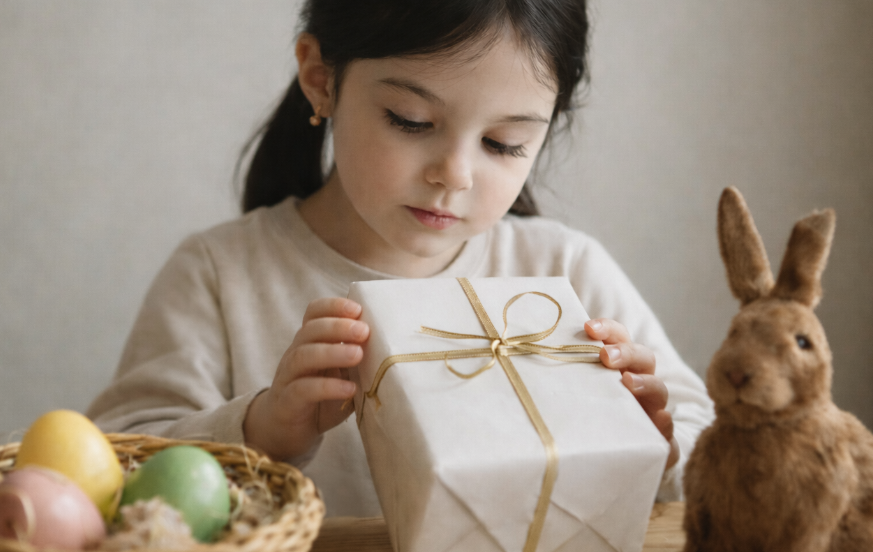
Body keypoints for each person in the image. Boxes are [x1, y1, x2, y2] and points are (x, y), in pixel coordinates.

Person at [87, 0, 714, 517]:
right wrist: (260, 430)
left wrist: (657, 448)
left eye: (504, 143)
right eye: (411, 120)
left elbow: (706, 433)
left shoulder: (564, 273)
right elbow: (112, 466)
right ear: (321, 79)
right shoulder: (219, 274)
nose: (455, 175)